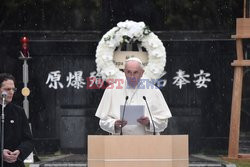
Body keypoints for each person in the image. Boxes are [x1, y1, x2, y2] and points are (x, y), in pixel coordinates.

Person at [95, 58, 172, 135]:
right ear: (124, 72)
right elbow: (102, 121)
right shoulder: (111, 90)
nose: (132, 76)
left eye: (135, 72)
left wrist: (149, 123)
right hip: (119, 144)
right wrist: (114, 124)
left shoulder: (154, 91)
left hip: (147, 143)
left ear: (142, 73)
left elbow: (163, 123)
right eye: (129, 72)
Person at [0, 73, 33, 167]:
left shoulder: (19, 112)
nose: (11, 92)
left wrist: (19, 151)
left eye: (13, 89)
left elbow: (28, 140)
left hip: (15, 164)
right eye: (7, 89)